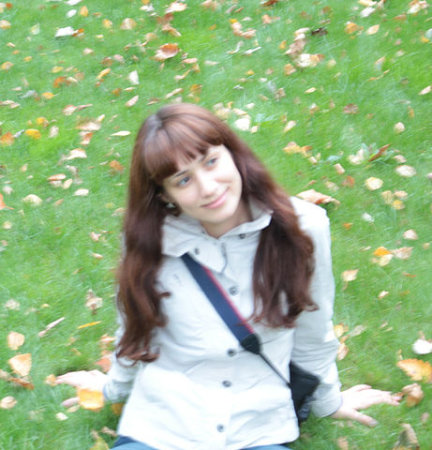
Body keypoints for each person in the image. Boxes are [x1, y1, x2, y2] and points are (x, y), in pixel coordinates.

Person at [57, 103, 400, 449]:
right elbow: (135, 329)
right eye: (183, 180)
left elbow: (314, 330)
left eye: (211, 161)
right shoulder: (148, 242)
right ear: (165, 195)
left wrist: (329, 402)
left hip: (256, 428)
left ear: (233, 154)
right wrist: (110, 388)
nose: (208, 187)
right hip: (164, 426)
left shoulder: (303, 227)